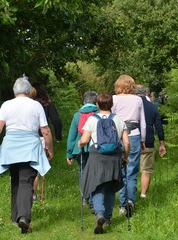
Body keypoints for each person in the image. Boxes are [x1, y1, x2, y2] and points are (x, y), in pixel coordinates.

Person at [0, 75, 54, 234]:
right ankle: (23, 218)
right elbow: (45, 131)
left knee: (16, 180)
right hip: (30, 148)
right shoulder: (36, 106)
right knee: (26, 181)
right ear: (28, 91)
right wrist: (50, 148)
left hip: (11, 148)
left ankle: (16, 217)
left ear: (14, 91)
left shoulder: (7, 105)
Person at [78, 93, 130, 234]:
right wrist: (125, 157)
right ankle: (107, 217)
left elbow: (84, 140)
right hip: (114, 158)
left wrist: (80, 143)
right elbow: (126, 142)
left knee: (96, 186)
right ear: (111, 104)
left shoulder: (92, 119)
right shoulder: (118, 120)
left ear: (97, 105)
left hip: (97, 156)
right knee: (110, 187)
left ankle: (99, 214)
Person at [111, 74, 146, 216]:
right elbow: (142, 122)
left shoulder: (114, 99)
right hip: (135, 135)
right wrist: (143, 140)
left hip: (119, 136)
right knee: (132, 171)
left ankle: (122, 205)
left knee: (121, 172)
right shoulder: (138, 100)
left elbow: (111, 119)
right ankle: (131, 201)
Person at [66, 91, 98, 207]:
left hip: (80, 148)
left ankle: (85, 197)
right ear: (96, 102)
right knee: (95, 171)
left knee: (83, 171)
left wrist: (69, 153)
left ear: (84, 102)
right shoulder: (98, 113)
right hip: (95, 147)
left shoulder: (77, 115)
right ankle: (95, 197)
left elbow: (72, 136)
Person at [135, 84, 166, 199]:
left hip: (132, 140)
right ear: (146, 93)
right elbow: (158, 126)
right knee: (146, 170)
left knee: (129, 170)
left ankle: (129, 196)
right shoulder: (152, 107)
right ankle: (143, 195)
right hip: (148, 141)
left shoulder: (131, 105)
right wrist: (162, 143)